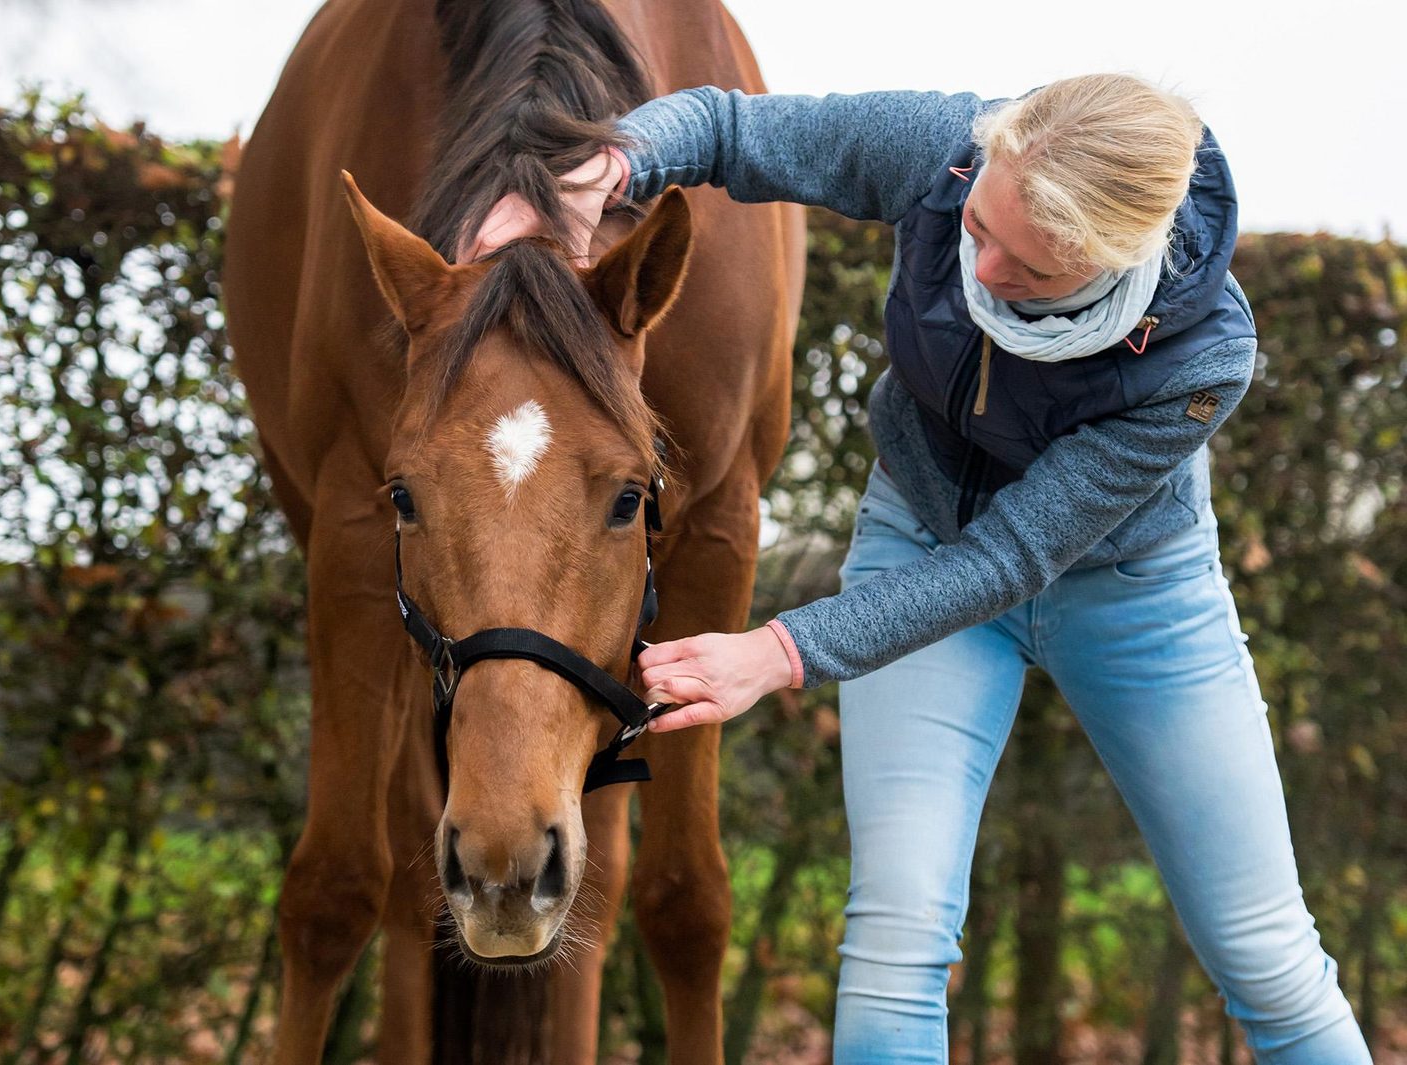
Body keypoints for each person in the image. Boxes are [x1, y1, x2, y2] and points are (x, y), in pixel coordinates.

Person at [461, 74, 1371, 1064]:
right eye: (977, 225)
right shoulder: (943, 150)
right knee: (894, 947)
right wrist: (604, 171)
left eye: (1022, 265)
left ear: (1110, 264)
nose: (977, 264)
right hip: (920, 534)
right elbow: (727, 128)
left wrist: (784, 648)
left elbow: (1012, 556)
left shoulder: (1201, 360)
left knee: (1266, 959)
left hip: (1136, 595)